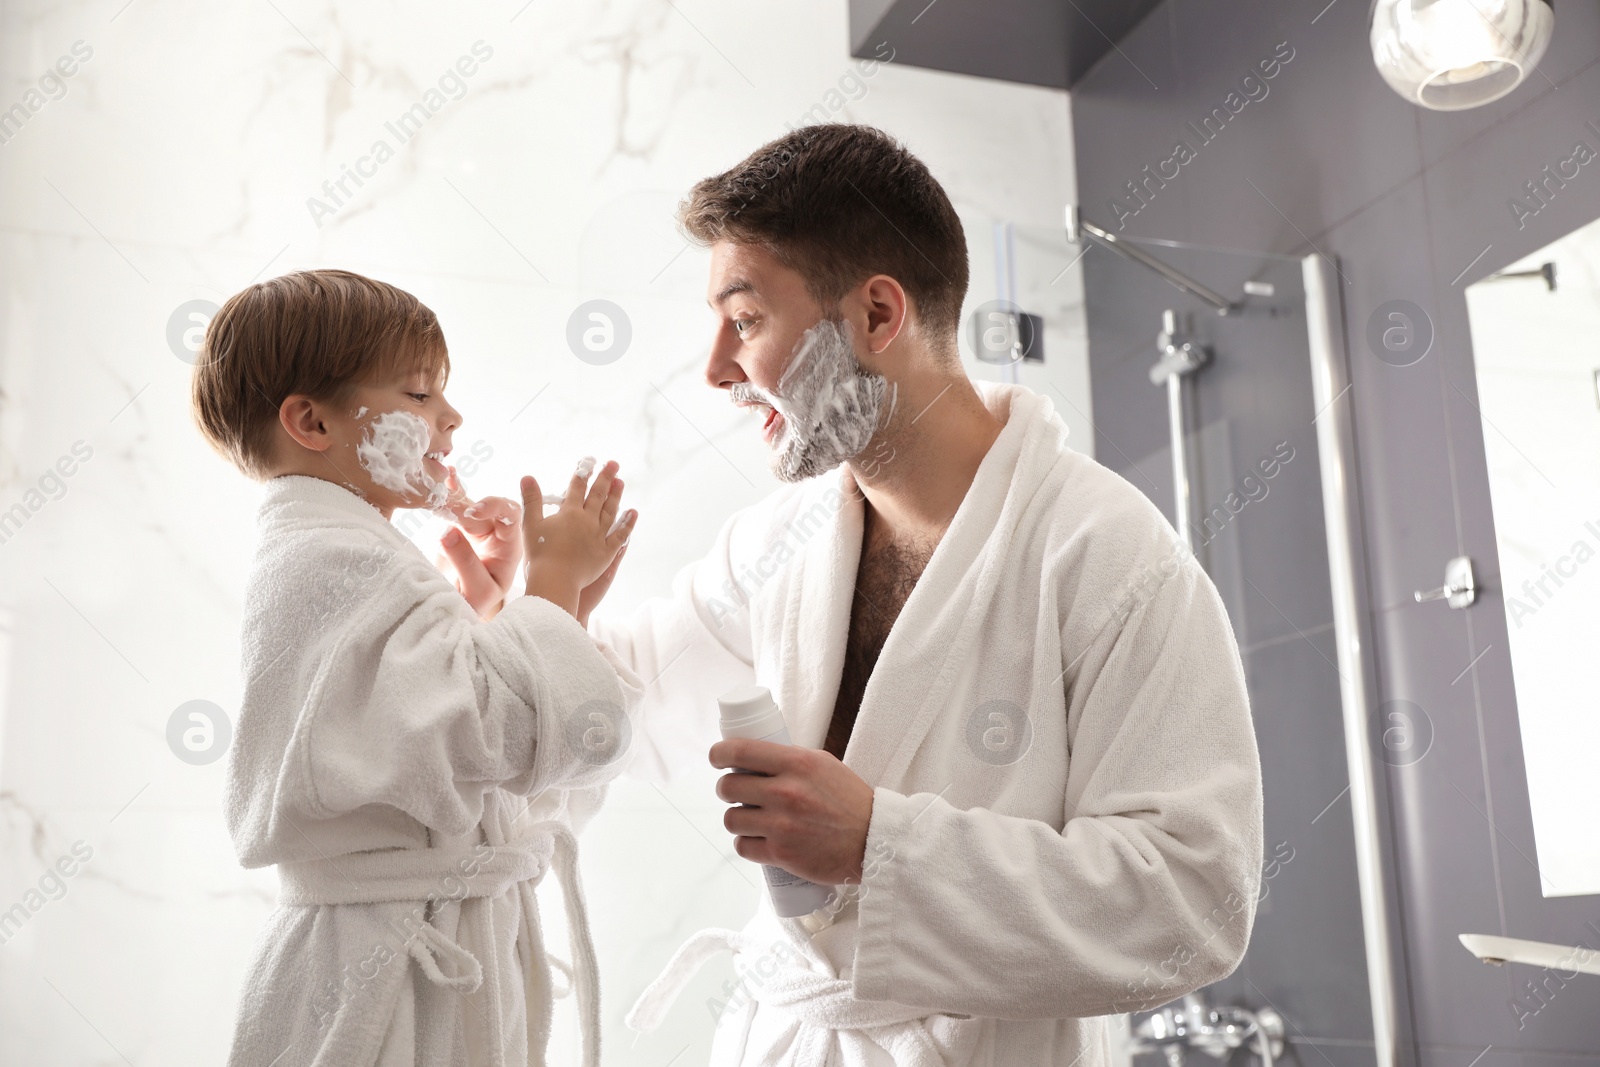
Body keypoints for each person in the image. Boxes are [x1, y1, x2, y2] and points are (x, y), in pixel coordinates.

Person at [454, 124, 1266, 1067]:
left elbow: (1192, 902)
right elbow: (626, 708)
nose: (715, 367)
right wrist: (543, 624)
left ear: (878, 315)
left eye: (745, 319)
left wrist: (880, 845)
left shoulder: (1109, 558)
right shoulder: (779, 542)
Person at [192, 268, 640, 1067]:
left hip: (417, 946)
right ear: (311, 421)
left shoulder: (350, 556)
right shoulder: (334, 561)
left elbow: (468, 767)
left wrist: (503, 614)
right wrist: (554, 588)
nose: (452, 417)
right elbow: (493, 735)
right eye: (420, 395)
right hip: (381, 984)